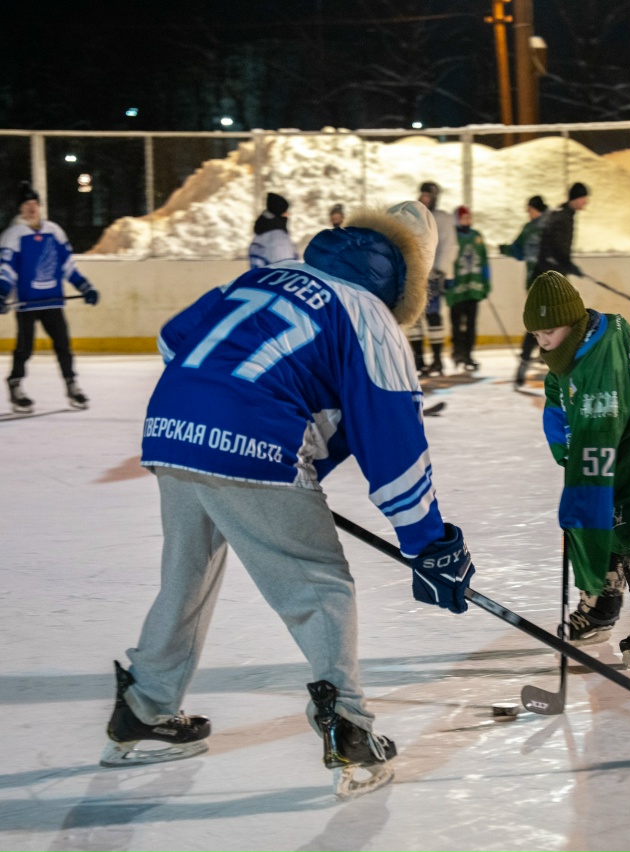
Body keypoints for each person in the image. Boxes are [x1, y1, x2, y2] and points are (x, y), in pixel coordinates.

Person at [107, 201, 477, 801]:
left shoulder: (262, 276)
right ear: (408, 275)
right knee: (319, 586)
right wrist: (429, 543)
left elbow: (173, 338)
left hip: (171, 429)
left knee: (187, 573)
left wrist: (231, 419)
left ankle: (144, 707)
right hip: (249, 443)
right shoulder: (369, 314)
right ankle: (349, 729)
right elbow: (394, 443)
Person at [525, 271, 630, 669]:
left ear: (572, 320)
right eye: (536, 335)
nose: (544, 342)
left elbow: (592, 460)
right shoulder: (594, 332)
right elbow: (559, 387)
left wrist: (579, 503)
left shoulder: (599, 372)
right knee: (610, 518)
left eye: (549, 331)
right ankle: (602, 605)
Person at [1, 181, 99, 412]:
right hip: (27, 304)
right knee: (24, 349)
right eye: (26, 204)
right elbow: (7, 269)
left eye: (34, 203)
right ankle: (15, 385)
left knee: (63, 346)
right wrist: (2, 292)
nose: (31, 208)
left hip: (53, 301)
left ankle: (71, 384)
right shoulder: (13, 236)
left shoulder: (54, 232)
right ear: (20, 209)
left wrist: (85, 287)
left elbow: (67, 266)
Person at [406, 181, 457, 376]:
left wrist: (444, 272)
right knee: (415, 317)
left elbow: (449, 245)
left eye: (427, 195)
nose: (423, 198)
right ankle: (419, 359)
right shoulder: (413, 217)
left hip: (434, 274)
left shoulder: (442, 218)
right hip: (415, 273)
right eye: (422, 195)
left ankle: (437, 359)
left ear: (434, 197)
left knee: (433, 316)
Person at [500, 195, 549, 387]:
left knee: (537, 324)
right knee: (547, 322)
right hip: (547, 283)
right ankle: (544, 356)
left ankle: (525, 363)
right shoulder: (544, 226)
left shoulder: (537, 228)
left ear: (533, 208)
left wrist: (504, 249)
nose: (528, 213)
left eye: (528, 209)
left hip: (540, 283)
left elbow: (518, 250)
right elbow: (519, 251)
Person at [446, 205, 490, 372]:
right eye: (464, 218)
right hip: (457, 289)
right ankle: (457, 351)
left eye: (468, 218)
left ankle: (468, 354)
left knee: (471, 324)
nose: (467, 221)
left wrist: (486, 283)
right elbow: (447, 259)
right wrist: (447, 279)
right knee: (457, 324)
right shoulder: (452, 238)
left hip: (473, 288)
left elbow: (484, 261)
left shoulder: (476, 236)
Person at [534, 182, 589, 278]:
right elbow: (556, 247)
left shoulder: (563, 214)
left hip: (550, 270)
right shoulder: (563, 218)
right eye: (584, 198)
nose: (586, 201)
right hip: (551, 272)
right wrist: (569, 266)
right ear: (576, 198)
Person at [248, 192, 298, 269]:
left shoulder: (261, 234)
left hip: (259, 278)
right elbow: (286, 267)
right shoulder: (278, 238)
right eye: (285, 212)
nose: (288, 215)